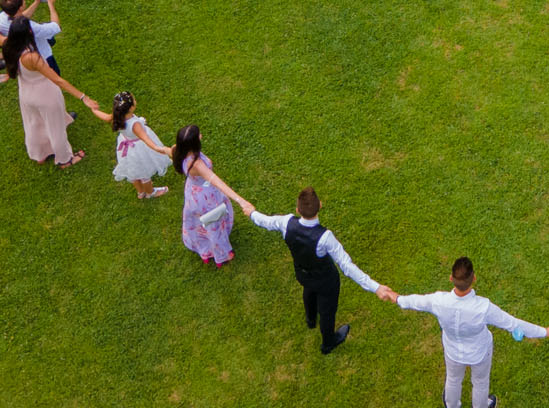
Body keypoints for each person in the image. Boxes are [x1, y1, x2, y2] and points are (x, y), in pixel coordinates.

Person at [387, 256, 549, 408]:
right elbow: (514, 324)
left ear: (451, 278)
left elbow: (415, 301)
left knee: (453, 378)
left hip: (452, 351)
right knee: (480, 382)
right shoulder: (484, 307)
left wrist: (396, 298)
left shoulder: (438, 301)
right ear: (474, 278)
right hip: (480, 353)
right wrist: (546, 331)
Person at [249, 188, 388, 355]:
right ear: (320, 206)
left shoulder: (286, 222)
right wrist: (376, 287)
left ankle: (310, 320)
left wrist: (251, 213)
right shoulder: (325, 237)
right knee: (327, 312)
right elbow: (347, 266)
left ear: (297, 210)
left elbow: (266, 221)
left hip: (303, 274)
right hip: (326, 282)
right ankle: (328, 343)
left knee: (308, 291)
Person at [0, 16, 97, 169]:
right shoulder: (32, 57)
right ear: (29, 32)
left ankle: (40, 154)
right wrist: (83, 97)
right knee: (56, 128)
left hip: (26, 94)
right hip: (46, 95)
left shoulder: (7, 47)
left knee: (34, 124)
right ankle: (65, 160)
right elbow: (58, 80)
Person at [173, 124, 255, 266]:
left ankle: (204, 251)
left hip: (193, 194)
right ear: (194, 143)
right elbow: (218, 182)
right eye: (199, 135)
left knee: (199, 222)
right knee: (213, 226)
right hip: (207, 199)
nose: (201, 135)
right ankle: (221, 255)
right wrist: (241, 201)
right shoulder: (197, 165)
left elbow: (162, 150)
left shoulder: (177, 151)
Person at [91, 91, 174, 201]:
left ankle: (140, 192)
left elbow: (106, 117)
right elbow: (147, 141)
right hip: (138, 149)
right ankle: (150, 192)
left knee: (134, 172)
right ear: (130, 108)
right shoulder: (135, 125)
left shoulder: (117, 116)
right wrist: (164, 150)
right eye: (134, 100)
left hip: (127, 148)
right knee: (144, 173)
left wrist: (94, 109)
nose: (135, 100)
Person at [0, 0, 62, 73]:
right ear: (20, 8)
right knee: (54, 79)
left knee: (51, 40)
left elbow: (20, 16)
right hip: (41, 57)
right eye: (24, 0)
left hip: (21, 52)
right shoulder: (31, 27)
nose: (25, 0)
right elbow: (56, 26)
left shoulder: (2, 17)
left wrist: (36, 2)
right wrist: (51, 4)